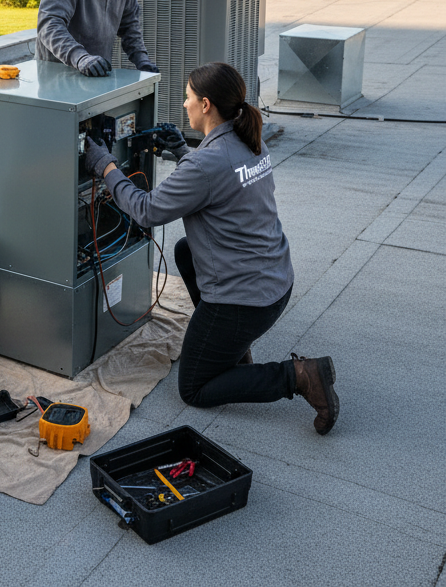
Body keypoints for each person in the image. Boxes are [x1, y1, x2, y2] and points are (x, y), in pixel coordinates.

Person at [83, 61, 340, 434]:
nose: (183, 104)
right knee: (187, 251)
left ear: (206, 105)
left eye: (187, 98)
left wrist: (105, 165)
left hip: (245, 301)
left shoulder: (206, 163)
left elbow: (146, 211)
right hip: (275, 283)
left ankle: (300, 376)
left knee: (194, 388)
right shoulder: (249, 139)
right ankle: (231, 346)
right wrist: (182, 154)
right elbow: (219, 185)